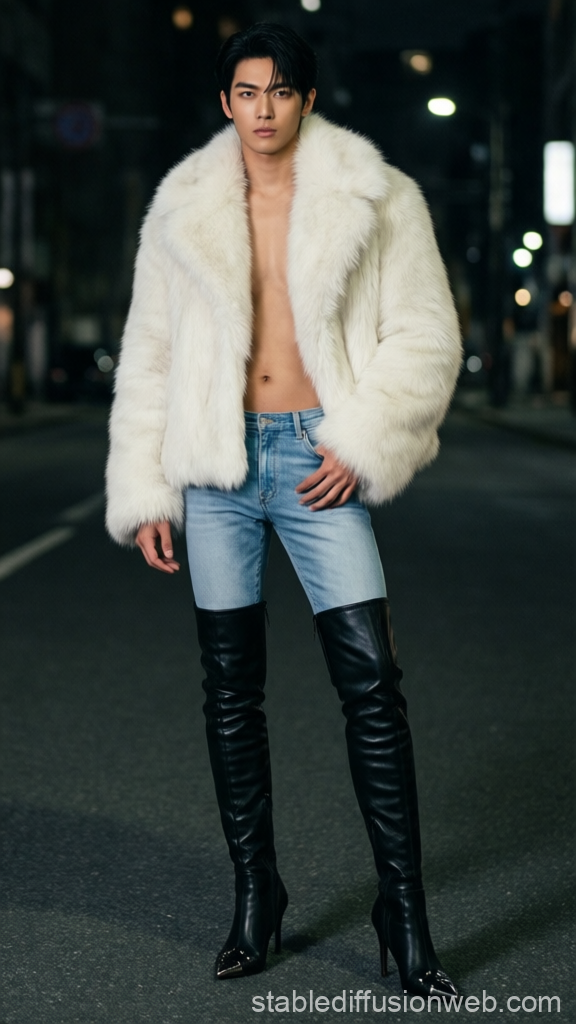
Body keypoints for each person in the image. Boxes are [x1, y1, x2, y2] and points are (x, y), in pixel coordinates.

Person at [105, 23, 462, 995]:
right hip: (216, 468)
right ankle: (256, 893)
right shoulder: (181, 204)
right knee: (230, 691)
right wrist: (146, 487)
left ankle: (403, 911)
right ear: (225, 101)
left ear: (306, 99)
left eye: (279, 91)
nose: (262, 108)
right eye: (246, 91)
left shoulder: (378, 196)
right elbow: (151, 353)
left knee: (372, 684)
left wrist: (361, 439)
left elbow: (426, 334)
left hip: (315, 461)